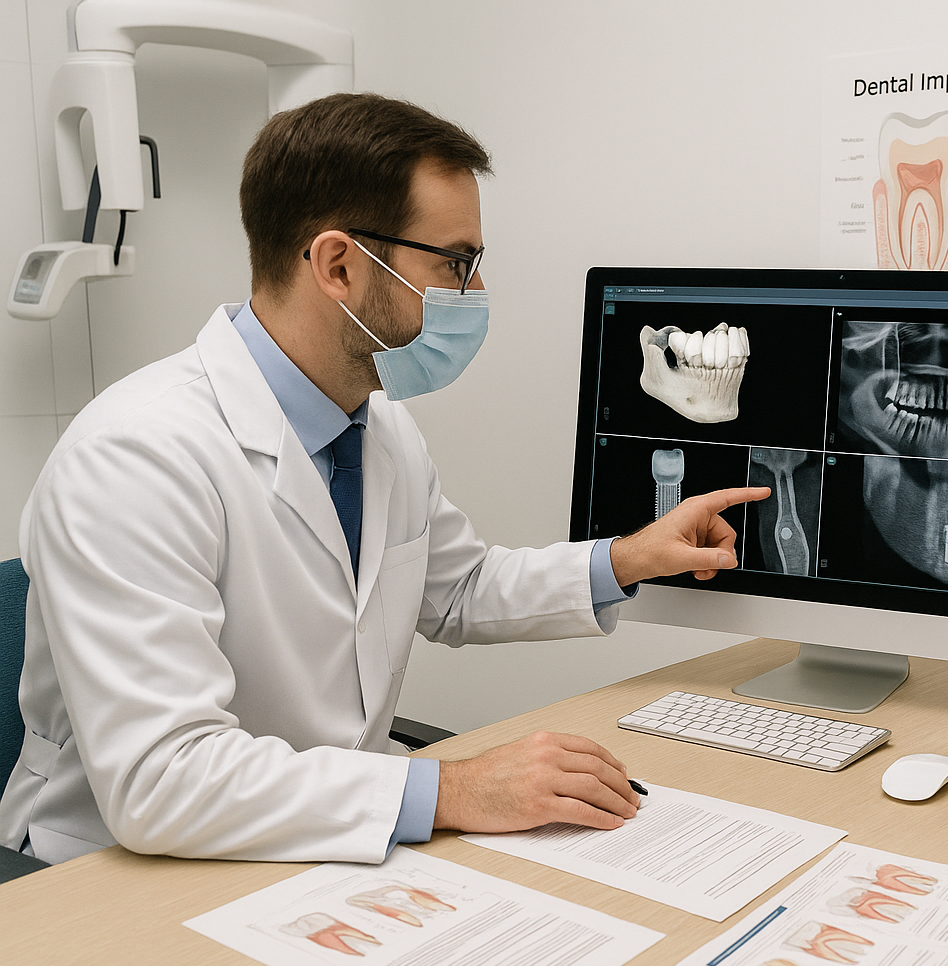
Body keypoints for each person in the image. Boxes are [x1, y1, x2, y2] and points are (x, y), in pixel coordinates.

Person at [0, 93, 766, 866]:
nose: (472, 294)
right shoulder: (135, 457)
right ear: (338, 265)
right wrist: (451, 789)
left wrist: (628, 558)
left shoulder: (376, 424)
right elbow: (163, 779)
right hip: (105, 875)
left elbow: (457, 590)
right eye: (456, 263)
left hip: (317, 844)